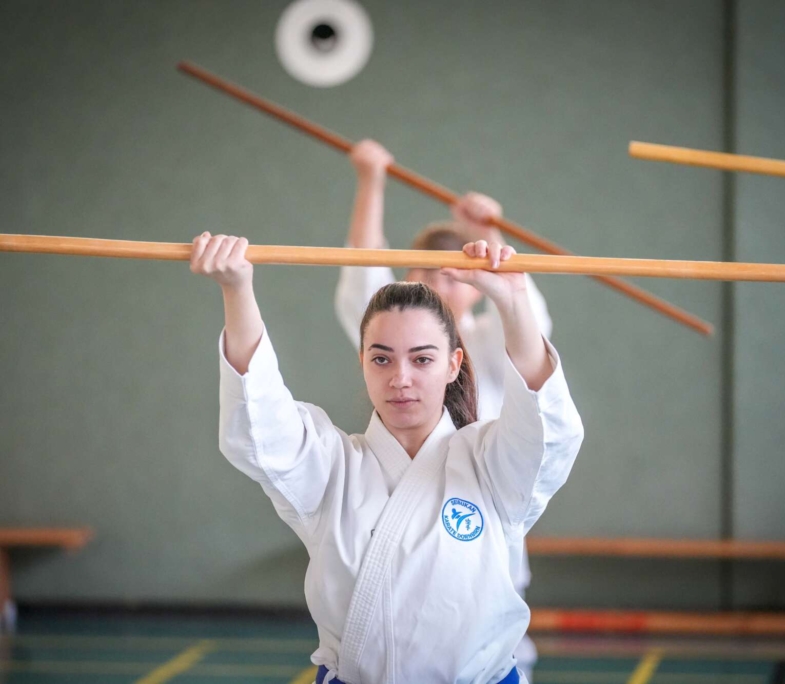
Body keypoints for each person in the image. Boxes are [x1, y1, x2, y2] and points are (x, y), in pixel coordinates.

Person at [191, 230, 584, 684]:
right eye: (382, 359)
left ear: (453, 364)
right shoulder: (331, 468)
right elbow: (260, 422)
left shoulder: (490, 464)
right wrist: (237, 288)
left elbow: (547, 433)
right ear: (362, 361)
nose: (401, 378)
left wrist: (514, 300)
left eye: (422, 360)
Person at [335, 140, 552, 678]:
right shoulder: (391, 332)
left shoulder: (486, 341)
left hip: (484, 504)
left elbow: (526, 319)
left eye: (453, 273)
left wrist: (491, 233)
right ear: (407, 277)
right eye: (426, 272)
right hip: (401, 520)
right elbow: (363, 272)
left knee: (493, 645)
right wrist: (371, 179)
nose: (439, 283)